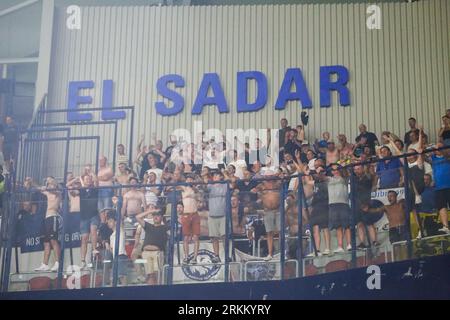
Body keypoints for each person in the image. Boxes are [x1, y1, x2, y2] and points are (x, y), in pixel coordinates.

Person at [251, 170, 282, 260]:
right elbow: (253, 190)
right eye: (267, 176)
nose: (269, 178)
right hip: (268, 211)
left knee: (280, 232)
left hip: (278, 210)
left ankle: (282, 251)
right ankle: (270, 253)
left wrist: (278, 175)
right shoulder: (262, 185)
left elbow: (283, 175)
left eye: (270, 176)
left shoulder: (277, 183)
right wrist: (256, 191)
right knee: (269, 232)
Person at [136, 208, 170, 285]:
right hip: (146, 252)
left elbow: (174, 234)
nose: (155, 217)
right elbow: (137, 217)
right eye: (154, 215)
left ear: (162, 217)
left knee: (157, 274)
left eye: (158, 215)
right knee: (149, 275)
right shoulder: (148, 226)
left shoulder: (165, 227)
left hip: (157, 253)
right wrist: (150, 211)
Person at [34, 180, 62, 272]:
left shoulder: (58, 193)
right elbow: (39, 189)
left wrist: (48, 186)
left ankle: (58, 263)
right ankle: (44, 264)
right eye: (48, 184)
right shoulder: (48, 193)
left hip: (53, 217)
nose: (48, 185)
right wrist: (32, 183)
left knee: (53, 240)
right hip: (47, 218)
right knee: (46, 242)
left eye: (50, 184)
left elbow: (53, 190)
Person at [204, 171, 228, 263]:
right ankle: (216, 256)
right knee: (214, 237)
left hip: (223, 215)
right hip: (212, 215)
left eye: (217, 175)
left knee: (224, 236)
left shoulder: (225, 186)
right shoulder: (210, 187)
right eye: (214, 175)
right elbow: (205, 185)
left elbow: (230, 182)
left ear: (221, 176)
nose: (215, 177)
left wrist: (223, 172)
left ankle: (226, 255)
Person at [178, 179, 201, 264]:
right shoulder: (183, 188)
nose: (189, 181)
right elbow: (175, 186)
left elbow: (200, 198)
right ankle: (186, 257)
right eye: (188, 179)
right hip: (186, 214)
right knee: (186, 237)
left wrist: (195, 188)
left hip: (195, 214)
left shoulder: (195, 189)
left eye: (190, 179)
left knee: (196, 237)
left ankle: (195, 258)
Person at [78, 175, 100, 269]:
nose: (88, 180)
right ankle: (83, 260)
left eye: (89, 179)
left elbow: (97, 181)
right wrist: (78, 178)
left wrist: (90, 172)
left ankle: (94, 249)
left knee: (93, 230)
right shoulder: (81, 190)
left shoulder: (94, 189)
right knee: (84, 238)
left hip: (94, 214)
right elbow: (69, 188)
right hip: (84, 217)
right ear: (83, 181)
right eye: (86, 179)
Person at [430, 142, 450, 233]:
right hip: (439, 187)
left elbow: (446, 153)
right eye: (436, 148)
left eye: (440, 147)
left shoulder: (447, 156)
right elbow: (421, 154)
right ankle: (445, 226)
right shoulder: (433, 158)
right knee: (442, 206)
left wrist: (440, 148)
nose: (437, 149)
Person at [106, 212, 129, 285]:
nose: (108, 223)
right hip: (115, 257)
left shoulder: (120, 230)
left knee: (122, 277)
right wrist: (108, 247)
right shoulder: (111, 236)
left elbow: (120, 222)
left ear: (116, 222)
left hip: (121, 256)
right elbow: (112, 250)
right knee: (112, 279)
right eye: (108, 221)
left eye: (110, 221)